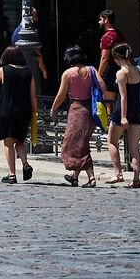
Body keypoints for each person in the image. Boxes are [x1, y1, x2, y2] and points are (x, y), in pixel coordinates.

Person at [50, 45, 100, 187]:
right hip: (91, 110)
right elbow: (102, 86)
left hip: (77, 111)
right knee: (82, 143)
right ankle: (75, 177)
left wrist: (54, 108)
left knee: (73, 144)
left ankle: (91, 178)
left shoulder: (68, 73)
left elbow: (61, 95)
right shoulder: (92, 70)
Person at [0, 45, 36, 183]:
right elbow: (33, 96)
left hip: (7, 111)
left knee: (8, 143)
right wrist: (34, 112)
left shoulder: (4, 70)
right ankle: (25, 164)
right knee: (19, 141)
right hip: (24, 112)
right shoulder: (28, 72)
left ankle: (12, 174)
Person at [106, 41, 140, 187]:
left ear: (117, 57)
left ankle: (118, 173)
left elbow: (123, 96)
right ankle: (136, 179)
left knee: (111, 141)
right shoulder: (137, 70)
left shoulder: (121, 73)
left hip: (123, 110)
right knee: (135, 147)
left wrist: (122, 116)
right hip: (138, 109)